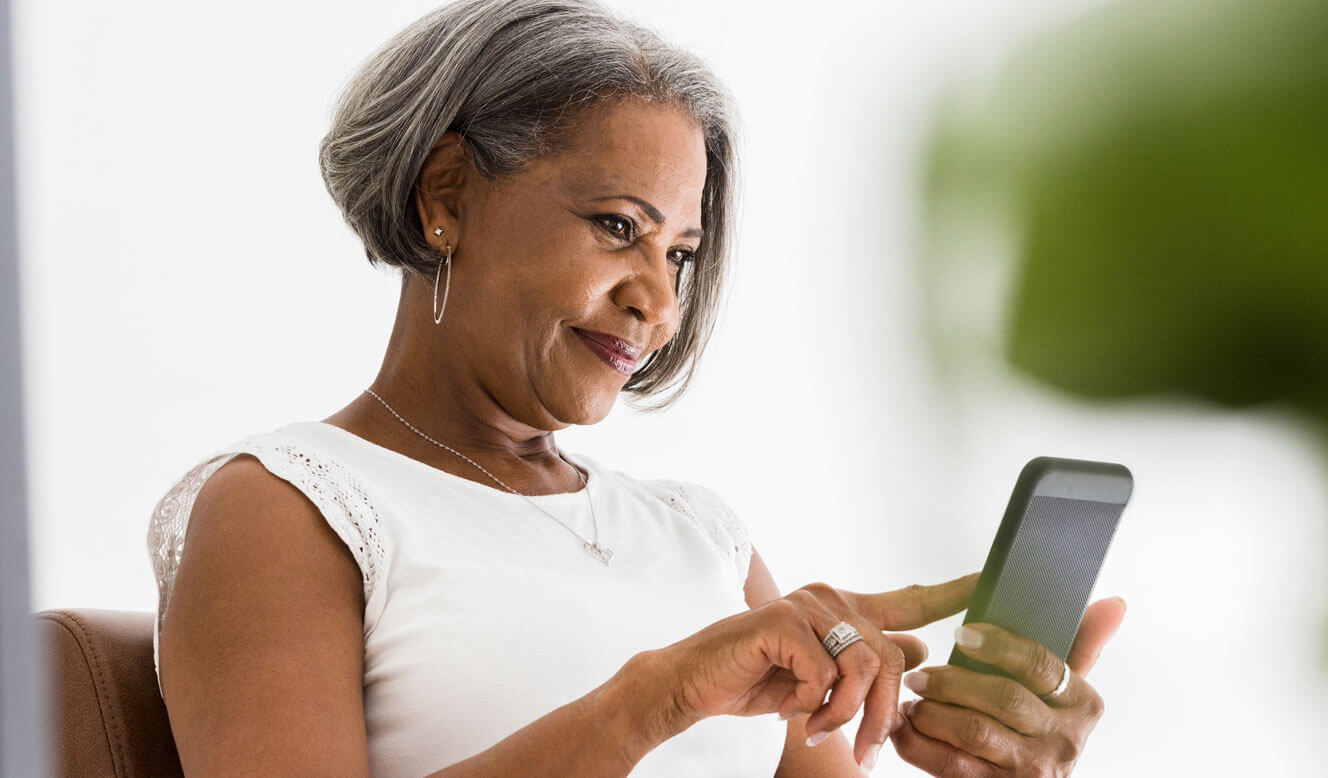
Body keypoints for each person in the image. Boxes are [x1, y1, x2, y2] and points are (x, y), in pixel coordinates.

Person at [144, 0, 1126, 775]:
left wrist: (994, 767)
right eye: (617, 226)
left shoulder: (701, 536)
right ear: (446, 195)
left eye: (680, 252)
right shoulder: (287, 506)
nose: (656, 298)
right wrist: (653, 700)